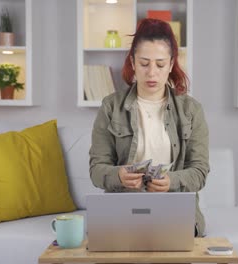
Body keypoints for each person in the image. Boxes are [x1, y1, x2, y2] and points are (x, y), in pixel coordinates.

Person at [89, 18, 209, 237]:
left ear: (171, 64)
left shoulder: (191, 110)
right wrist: (119, 175)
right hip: (123, 210)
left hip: (175, 211)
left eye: (160, 64)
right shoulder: (110, 107)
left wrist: (172, 181)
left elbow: (200, 172)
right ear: (133, 63)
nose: (152, 72)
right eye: (144, 63)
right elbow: (97, 170)